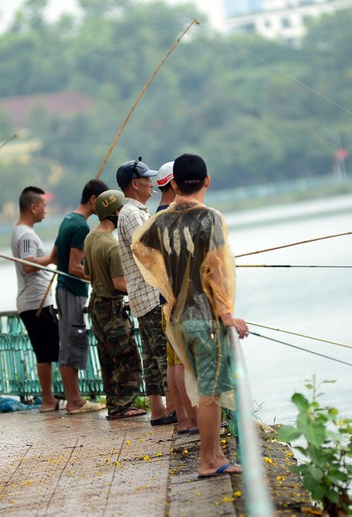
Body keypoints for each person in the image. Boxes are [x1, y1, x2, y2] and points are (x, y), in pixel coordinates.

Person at [132, 153, 249, 478]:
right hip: (203, 316)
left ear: (176, 183)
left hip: (176, 317)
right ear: (206, 181)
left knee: (202, 384)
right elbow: (215, 267)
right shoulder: (209, 218)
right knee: (211, 392)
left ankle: (215, 453)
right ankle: (208, 461)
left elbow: (138, 246)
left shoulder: (161, 221)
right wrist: (226, 313)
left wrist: (168, 278)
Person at [33, 179, 108, 415]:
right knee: (72, 342)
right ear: (94, 199)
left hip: (63, 289)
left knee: (68, 340)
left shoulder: (68, 219)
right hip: (72, 290)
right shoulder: (80, 227)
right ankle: (74, 401)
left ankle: (73, 398)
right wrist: (100, 277)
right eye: (103, 203)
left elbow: (52, 258)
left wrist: (31, 265)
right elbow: (75, 267)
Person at [115, 158, 173, 426]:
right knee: (163, 354)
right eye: (147, 180)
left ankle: (158, 410)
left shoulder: (129, 212)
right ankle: (174, 409)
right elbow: (147, 252)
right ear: (134, 184)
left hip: (140, 295)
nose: (152, 184)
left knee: (151, 357)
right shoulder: (133, 213)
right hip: (150, 293)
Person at [84, 189, 146, 420]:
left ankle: (113, 404)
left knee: (107, 359)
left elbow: (89, 273)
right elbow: (119, 283)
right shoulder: (112, 245)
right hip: (111, 307)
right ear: (115, 213)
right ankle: (123, 405)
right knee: (128, 357)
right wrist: (143, 286)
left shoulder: (90, 239)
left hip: (96, 305)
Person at [11, 186, 64, 412]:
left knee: (48, 352)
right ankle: (48, 399)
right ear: (33, 208)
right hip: (35, 303)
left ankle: (49, 398)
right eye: (44, 206)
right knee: (46, 353)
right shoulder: (24, 234)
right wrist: (51, 259)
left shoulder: (23, 232)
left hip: (36, 302)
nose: (46, 211)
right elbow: (27, 264)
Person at [154, 161, 198, 434]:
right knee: (181, 363)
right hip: (179, 299)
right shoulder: (173, 216)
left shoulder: (156, 217)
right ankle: (192, 420)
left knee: (173, 363)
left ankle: (183, 419)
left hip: (164, 299)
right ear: (174, 184)